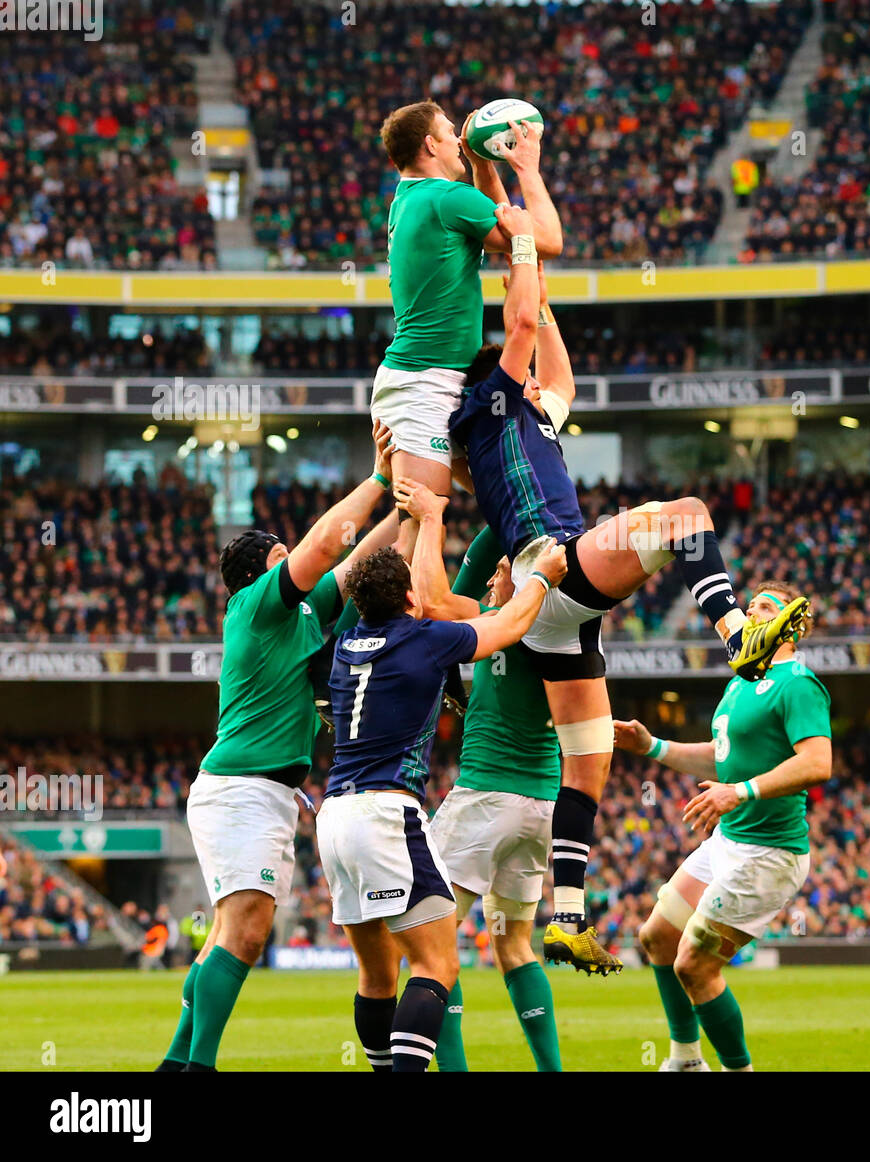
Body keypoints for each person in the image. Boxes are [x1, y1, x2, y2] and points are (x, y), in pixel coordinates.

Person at [444, 224, 808, 973]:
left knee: (587, 766)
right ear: (506, 383)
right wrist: (518, 254)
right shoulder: (490, 406)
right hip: (556, 566)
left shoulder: (519, 421)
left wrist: (540, 287)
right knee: (685, 517)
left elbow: (555, 366)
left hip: (552, 612)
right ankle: (738, 634)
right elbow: (518, 333)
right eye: (528, 380)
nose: (545, 386)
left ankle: (568, 916)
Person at [155, 421, 401, 1072]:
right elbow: (326, 545)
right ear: (258, 572)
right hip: (243, 789)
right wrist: (377, 479)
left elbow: (354, 565)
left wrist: (407, 508)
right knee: (246, 931)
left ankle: (177, 1065)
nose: (291, 555)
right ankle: (199, 1066)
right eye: (279, 553)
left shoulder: (297, 615)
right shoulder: (256, 606)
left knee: (229, 937)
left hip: (259, 790)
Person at [316, 486, 567, 1073]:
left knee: (377, 975)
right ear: (409, 596)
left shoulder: (346, 644)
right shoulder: (427, 638)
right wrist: (541, 579)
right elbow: (504, 627)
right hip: (388, 813)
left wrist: (413, 521)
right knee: (436, 967)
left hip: (335, 818)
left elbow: (396, 590)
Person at [617, 581, 832, 1071]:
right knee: (656, 938)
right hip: (729, 841)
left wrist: (741, 791)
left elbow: (817, 762)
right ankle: (687, 1060)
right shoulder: (739, 683)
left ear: (789, 626)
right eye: (747, 602)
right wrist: (653, 747)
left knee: (694, 964)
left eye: (761, 605)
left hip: (768, 853)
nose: (746, 611)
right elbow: (720, 759)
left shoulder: (798, 682)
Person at [372, 100, 561, 559]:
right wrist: (527, 169)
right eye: (450, 131)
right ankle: (379, 628)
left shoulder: (418, 197)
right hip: (423, 382)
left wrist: (483, 167)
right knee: (419, 526)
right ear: (429, 144)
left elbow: (507, 227)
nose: (460, 139)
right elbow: (546, 241)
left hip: (440, 379)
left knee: (498, 496)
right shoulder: (446, 197)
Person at [425, 534, 565, 1072]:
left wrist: (496, 512)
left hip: (486, 796)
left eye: (501, 570)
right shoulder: (560, 632)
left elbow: (439, 600)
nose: (489, 581)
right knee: (513, 947)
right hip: (540, 807)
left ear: (527, 576)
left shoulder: (501, 620)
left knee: (429, 940)